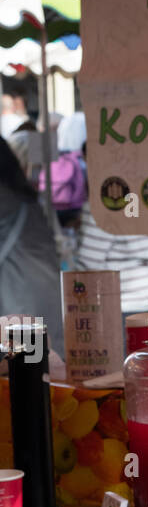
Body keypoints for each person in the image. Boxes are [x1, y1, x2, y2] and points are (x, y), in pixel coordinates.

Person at [0, 138, 64, 356]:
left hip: (20, 307)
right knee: (37, 374)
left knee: (25, 375)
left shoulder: (5, 201)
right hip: (42, 302)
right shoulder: (27, 199)